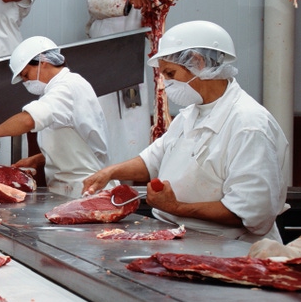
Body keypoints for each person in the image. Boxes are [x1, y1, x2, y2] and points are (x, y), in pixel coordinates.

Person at [83, 21, 290, 243]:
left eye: (170, 73)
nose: (166, 84)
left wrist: (176, 207)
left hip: (231, 250)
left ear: (197, 62)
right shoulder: (190, 115)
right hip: (182, 238)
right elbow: (153, 160)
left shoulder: (248, 124)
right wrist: (110, 173)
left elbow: (250, 212)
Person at [0, 36, 112, 197]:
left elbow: (27, 120)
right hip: (71, 190)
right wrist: (37, 159)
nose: (26, 82)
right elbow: (76, 145)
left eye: (26, 75)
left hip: (85, 190)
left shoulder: (67, 87)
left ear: (43, 62)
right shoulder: (57, 90)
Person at [85, 0, 152, 165]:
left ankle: (131, 170)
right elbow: (94, 4)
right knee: (104, 114)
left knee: (134, 118)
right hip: (104, 59)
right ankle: (103, 168)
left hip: (131, 60)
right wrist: (127, 1)